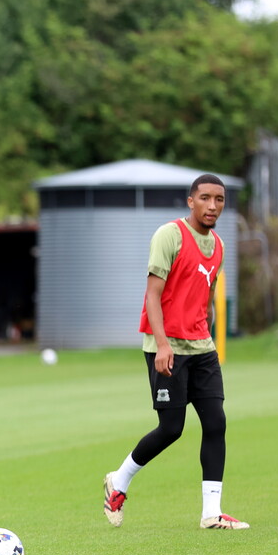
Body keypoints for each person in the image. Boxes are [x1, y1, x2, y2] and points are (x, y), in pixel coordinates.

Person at [103, 174, 249, 530]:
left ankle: (211, 514)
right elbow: (153, 294)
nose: (212, 205)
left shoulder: (219, 246)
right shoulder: (169, 235)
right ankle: (118, 482)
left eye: (219, 199)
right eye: (205, 198)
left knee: (216, 422)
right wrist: (164, 344)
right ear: (190, 201)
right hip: (165, 347)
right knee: (171, 428)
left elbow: (207, 295)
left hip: (201, 347)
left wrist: (209, 335)